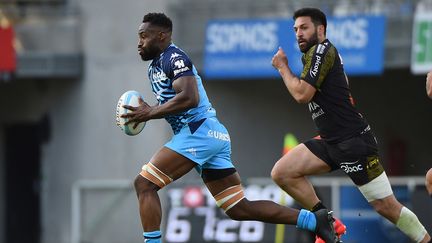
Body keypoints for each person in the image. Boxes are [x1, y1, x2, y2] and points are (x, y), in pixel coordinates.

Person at [121, 12, 339, 243]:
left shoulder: (173, 58)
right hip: (209, 135)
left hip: (198, 133)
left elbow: (189, 97)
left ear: (162, 36)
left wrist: (149, 113)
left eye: (144, 36)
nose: (139, 42)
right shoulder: (156, 65)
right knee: (238, 208)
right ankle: (315, 221)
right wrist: (149, 110)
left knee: (144, 184)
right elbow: (175, 101)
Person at [271, 7, 431, 243]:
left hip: (353, 143)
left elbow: (302, 94)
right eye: (295, 29)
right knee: (282, 173)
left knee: (386, 206)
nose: (298, 34)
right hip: (330, 141)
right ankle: (327, 222)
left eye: (304, 27)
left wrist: (282, 67)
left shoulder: (322, 50)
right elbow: (342, 82)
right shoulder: (317, 54)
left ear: (321, 29)